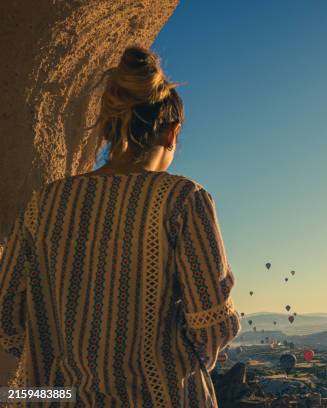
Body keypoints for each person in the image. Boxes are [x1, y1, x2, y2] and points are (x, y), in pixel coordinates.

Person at [0, 46, 241, 407]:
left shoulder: (43, 204)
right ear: (171, 133)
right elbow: (211, 325)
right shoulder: (182, 199)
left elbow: (7, 317)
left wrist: (58, 363)